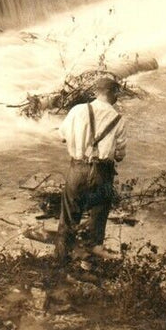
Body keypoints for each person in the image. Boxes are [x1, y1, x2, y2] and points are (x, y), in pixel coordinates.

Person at [56, 74, 126, 264]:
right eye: (117, 93)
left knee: (70, 215)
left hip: (78, 168)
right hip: (102, 172)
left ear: (96, 93)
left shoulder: (77, 110)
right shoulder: (118, 118)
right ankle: (92, 254)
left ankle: (62, 260)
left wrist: (80, 141)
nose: (117, 97)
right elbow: (120, 154)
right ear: (112, 94)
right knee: (99, 211)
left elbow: (62, 135)